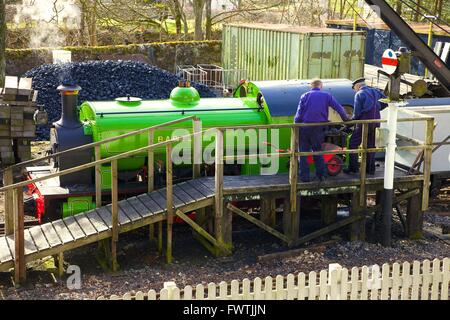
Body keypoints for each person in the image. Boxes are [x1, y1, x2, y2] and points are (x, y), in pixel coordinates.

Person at [294, 79, 349, 182]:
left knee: (303, 153)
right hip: (318, 128)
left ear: (311, 86)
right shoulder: (327, 95)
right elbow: (339, 108)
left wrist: (296, 126)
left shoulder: (304, 96)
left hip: (304, 127)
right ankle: (321, 176)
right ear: (321, 86)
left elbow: (298, 114)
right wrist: (346, 119)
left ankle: (304, 178)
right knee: (318, 151)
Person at [344, 78, 387, 175]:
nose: (355, 90)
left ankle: (353, 169)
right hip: (376, 121)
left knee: (353, 144)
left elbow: (357, 113)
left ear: (358, 86)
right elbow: (386, 102)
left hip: (364, 122)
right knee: (371, 145)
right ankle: (370, 169)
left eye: (354, 88)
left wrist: (350, 123)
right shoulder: (375, 91)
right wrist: (378, 108)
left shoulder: (359, 94)